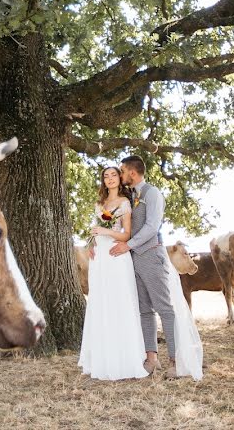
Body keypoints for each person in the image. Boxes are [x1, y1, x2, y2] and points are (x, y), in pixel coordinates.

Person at [112, 155, 203, 380]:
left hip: (152, 256)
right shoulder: (129, 197)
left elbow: (152, 226)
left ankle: (175, 360)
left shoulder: (152, 194)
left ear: (132, 173)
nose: (120, 175)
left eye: (122, 171)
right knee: (144, 310)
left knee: (165, 309)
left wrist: (129, 245)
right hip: (133, 260)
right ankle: (152, 359)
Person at [78, 167, 149, 380]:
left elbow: (126, 234)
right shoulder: (99, 205)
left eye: (113, 175)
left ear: (120, 178)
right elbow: (95, 229)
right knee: (101, 303)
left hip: (116, 257)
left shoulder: (125, 203)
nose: (109, 179)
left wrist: (106, 232)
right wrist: (91, 243)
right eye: (105, 176)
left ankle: (124, 359)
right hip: (99, 257)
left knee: (119, 303)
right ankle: (102, 357)